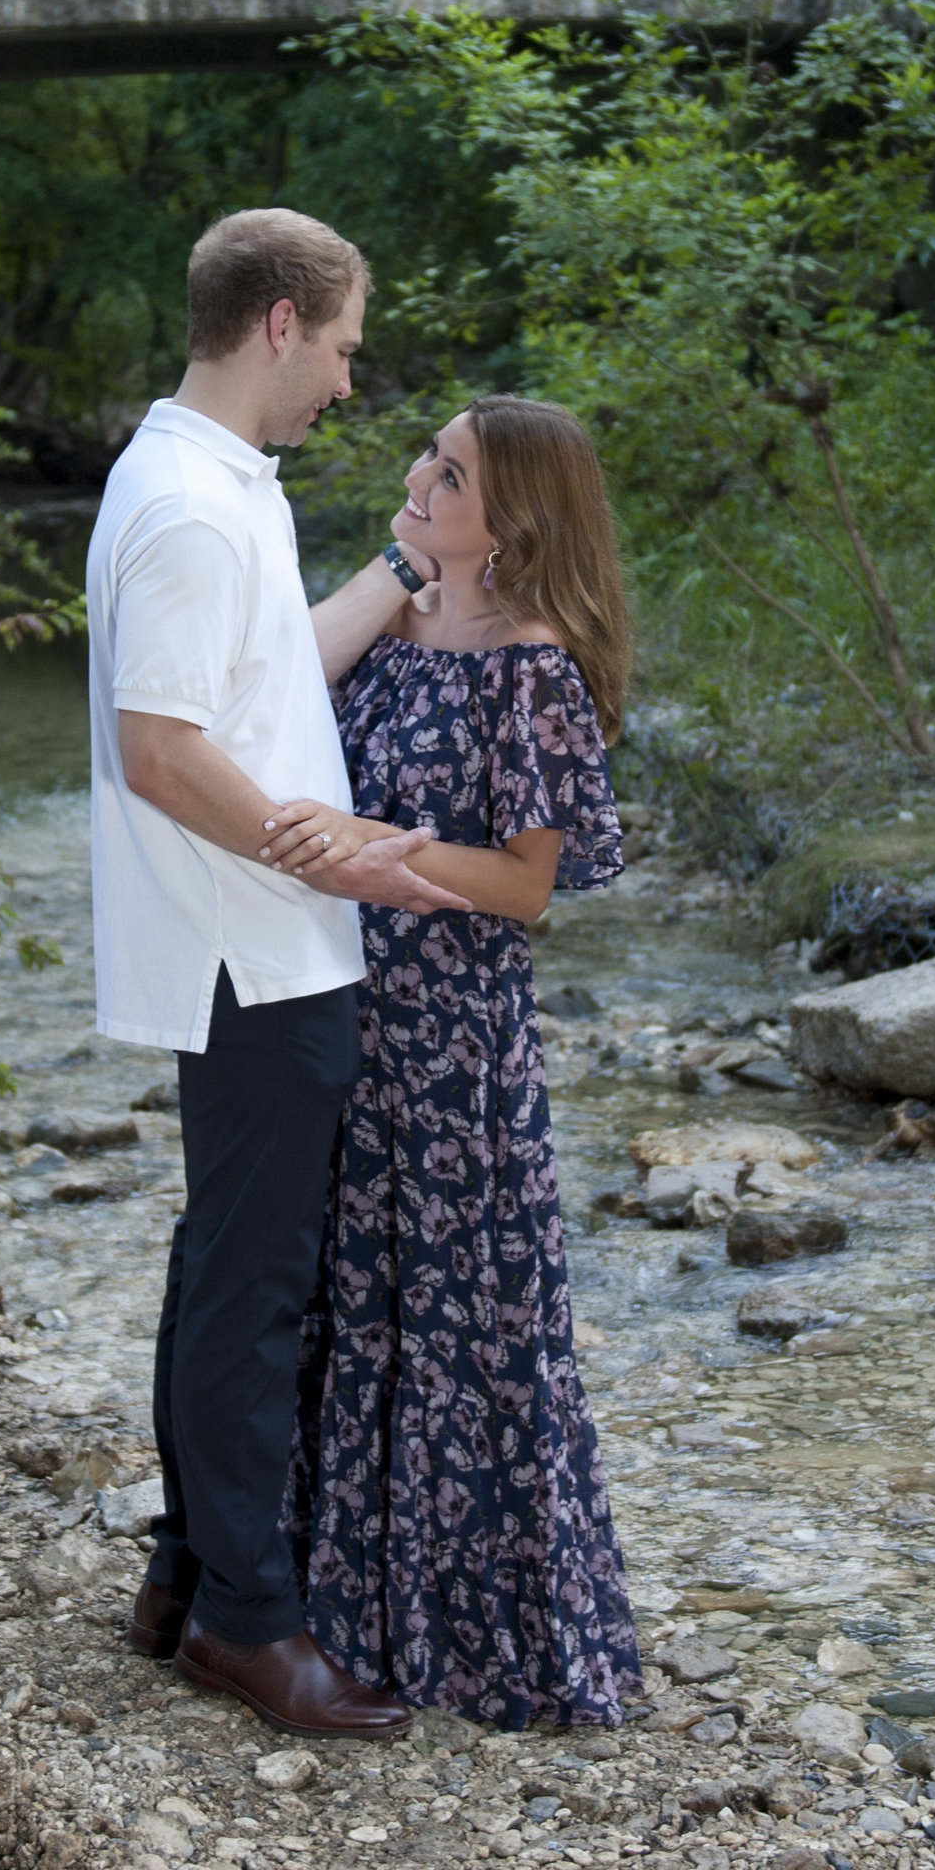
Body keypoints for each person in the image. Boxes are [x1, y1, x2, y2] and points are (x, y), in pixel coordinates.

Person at [89, 207, 460, 1740]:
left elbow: (256, 679)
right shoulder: (184, 502)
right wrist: (340, 859)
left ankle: (187, 1573)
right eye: (348, 348)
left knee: (221, 1267)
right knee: (255, 1294)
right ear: (281, 326)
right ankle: (250, 1621)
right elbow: (160, 746)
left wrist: (400, 565)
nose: (351, 386)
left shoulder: (213, 481)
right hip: (253, 952)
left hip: (263, 944)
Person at [262, 397, 644, 1729]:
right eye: (427, 453)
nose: (419, 476)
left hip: (451, 1048)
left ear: (519, 516)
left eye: (453, 472)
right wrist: (398, 566)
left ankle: (480, 1643)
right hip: (339, 1016)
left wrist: (387, 850)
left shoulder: (533, 666)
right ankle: (335, 1612)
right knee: (347, 1310)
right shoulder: (395, 626)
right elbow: (274, 683)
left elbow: (528, 888)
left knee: (456, 1329)